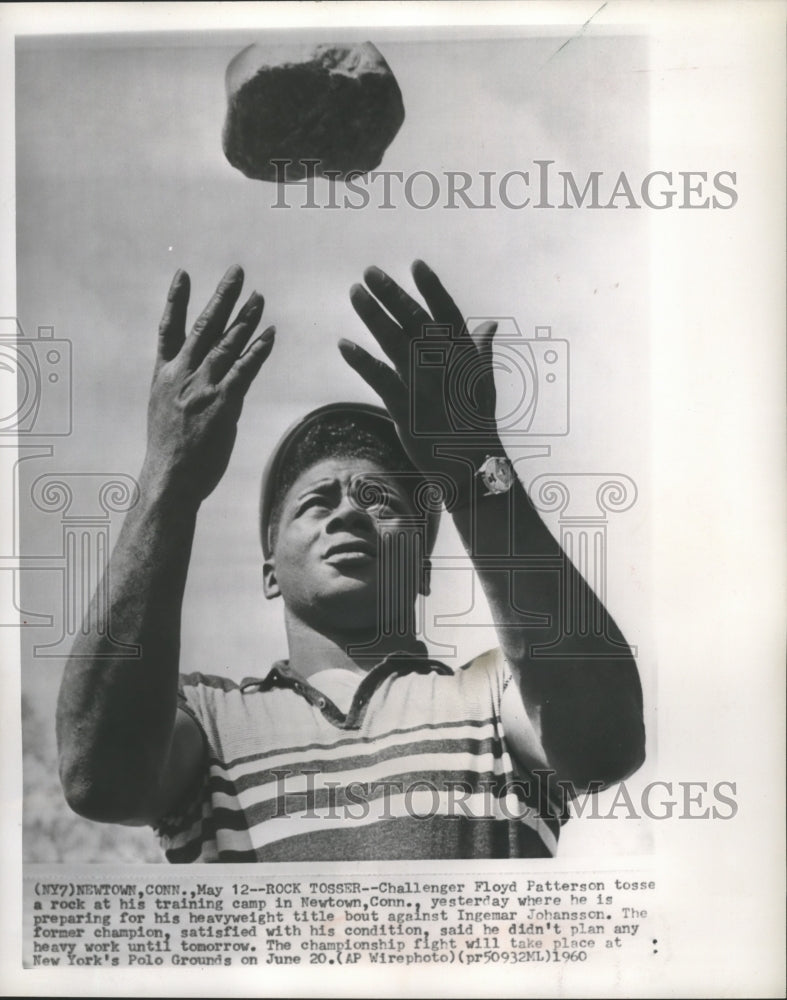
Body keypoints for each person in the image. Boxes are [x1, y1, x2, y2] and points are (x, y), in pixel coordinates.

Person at [56, 260, 645, 862]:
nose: (349, 514)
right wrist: (168, 479)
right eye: (316, 501)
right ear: (268, 568)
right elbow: (99, 778)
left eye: (379, 500)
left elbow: (605, 742)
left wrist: (473, 465)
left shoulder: (494, 694)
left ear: (422, 567)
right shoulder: (207, 719)